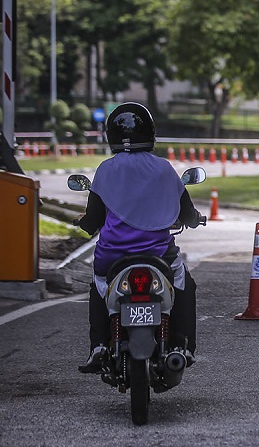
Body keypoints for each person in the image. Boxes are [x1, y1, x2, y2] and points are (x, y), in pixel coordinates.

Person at [75, 102, 204, 373]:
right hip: (159, 255)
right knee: (185, 285)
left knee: (99, 287)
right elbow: (188, 212)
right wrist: (194, 220)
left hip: (111, 256)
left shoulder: (106, 170)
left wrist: (82, 224)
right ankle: (183, 346)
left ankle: (98, 346)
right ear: (150, 133)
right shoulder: (164, 169)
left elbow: (93, 220)